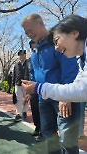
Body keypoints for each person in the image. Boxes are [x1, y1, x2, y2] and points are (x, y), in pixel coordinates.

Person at [21, 14, 80, 154]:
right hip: (43, 99)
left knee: (67, 139)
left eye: (31, 29)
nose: (29, 34)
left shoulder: (59, 43)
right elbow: (35, 75)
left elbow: (70, 69)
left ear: (41, 23)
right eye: (26, 32)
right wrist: (31, 92)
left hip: (62, 98)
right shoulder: (35, 51)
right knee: (48, 137)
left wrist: (66, 96)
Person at [22, 14, 87, 103]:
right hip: (47, 97)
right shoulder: (35, 52)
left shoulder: (71, 52)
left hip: (59, 97)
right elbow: (78, 85)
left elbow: (81, 89)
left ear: (74, 33)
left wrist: (39, 88)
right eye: (26, 33)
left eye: (56, 41)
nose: (56, 47)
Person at [26, 40, 42, 141]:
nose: (34, 47)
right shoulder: (30, 59)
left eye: (35, 45)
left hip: (43, 88)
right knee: (35, 109)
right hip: (33, 87)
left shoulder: (43, 56)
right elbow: (30, 73)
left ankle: (43, 131)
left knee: (43, 110)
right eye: (32, 46)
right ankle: (37, 127)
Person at [13, 49, 29, 122]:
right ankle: (18, 113)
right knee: (18, 99)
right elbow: (14, 74)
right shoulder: (16, 64)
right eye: (20, 55)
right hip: (18, 83)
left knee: (26, 98)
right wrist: (13, 84)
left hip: (26, 83)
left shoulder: (29, 63)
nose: (21, 56)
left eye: (23, 54)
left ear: (25, 55)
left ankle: (24, 111)